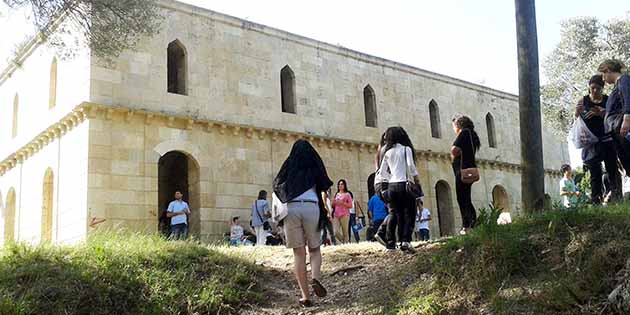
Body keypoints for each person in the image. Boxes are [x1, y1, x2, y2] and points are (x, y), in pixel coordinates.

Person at [272, 139, 332, 307]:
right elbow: (325, 183)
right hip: (311, 207)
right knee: (314, 249)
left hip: (291, 207)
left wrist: (287, 195)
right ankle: (316, 278)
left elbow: (276, 184)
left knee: (299, 253)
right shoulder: (314, 164)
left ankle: (305, 296)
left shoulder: (289, 165)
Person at [374, 126, 420, 252]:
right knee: (409, 213)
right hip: (404, 184)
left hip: (391, 186)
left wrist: (391, 178)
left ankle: (391, 244)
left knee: (396, 213)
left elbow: (382, 172)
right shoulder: (406, 149)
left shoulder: (388, 152)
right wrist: (416, 181)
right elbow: (411, 166)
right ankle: (405, 240)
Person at [575, 74, 620, 204]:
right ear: (589, 87)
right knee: (595, 173)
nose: (595, 91)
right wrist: (577, 113)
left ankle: (617, 198)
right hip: (591, 143)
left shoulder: (608, 100)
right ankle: (596, 200)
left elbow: (615, 118)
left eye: (598, 88)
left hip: (607, 140)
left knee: (612, 170)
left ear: (602, 89)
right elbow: (577, 120)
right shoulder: (583, 101)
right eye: (593, 88)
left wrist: (602, 113)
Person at [451, 115, 481, 235]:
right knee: (466, 197)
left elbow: (455, 150)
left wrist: (453, 152)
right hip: (469, 169)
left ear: (458, 125)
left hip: (462, 170)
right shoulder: (472, 135)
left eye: (454, 126)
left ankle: (467, 224)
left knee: (462, 198)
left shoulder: (464, 133)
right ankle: (473, 223)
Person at [599, 59, 630, 173]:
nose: (603, 79)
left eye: (603, 74)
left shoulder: (624, 79)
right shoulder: (617, 85)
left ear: (607, 70)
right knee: (626, 160)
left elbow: (628, 98)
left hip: (622, 128)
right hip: (616, 130)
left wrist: (627, 120)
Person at [332, 179, 352, 244]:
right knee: (335, 231)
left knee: (345, 232)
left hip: (345, 215)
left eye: (342, 184)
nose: (340, 185)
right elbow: (333, 205)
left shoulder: (347, 194)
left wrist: (342, 203)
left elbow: (350, 205)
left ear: (344, 185)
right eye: (339, 184)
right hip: (336, 215)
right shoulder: (336, 194)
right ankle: (343, 241)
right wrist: (333, 203)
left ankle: (346, 245)